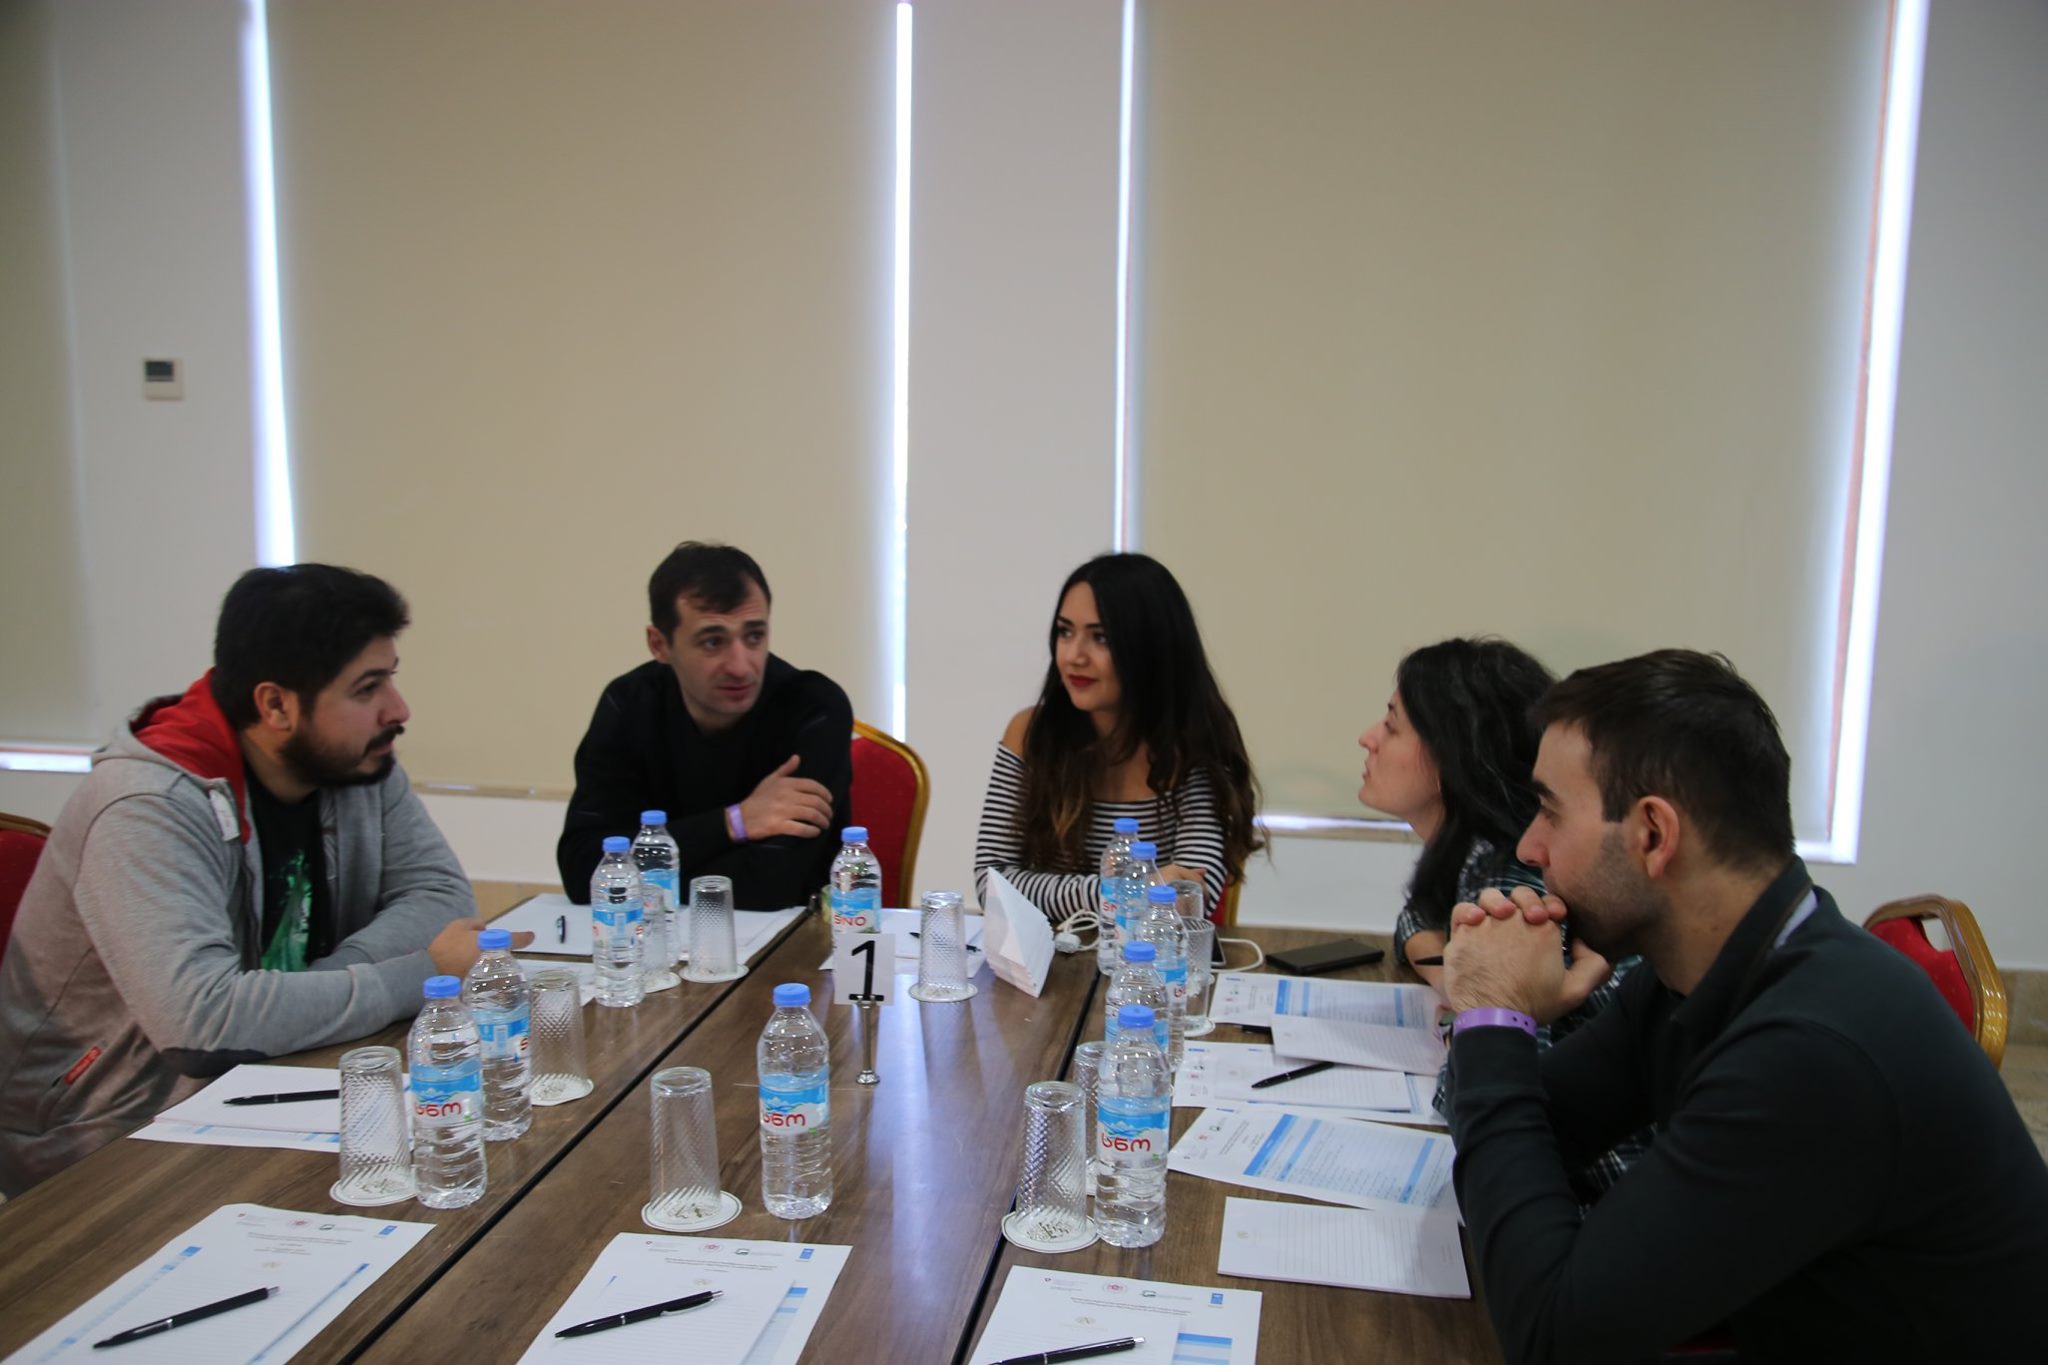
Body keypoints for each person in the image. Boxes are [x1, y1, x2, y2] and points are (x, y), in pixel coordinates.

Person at [1441, 649, 2048, 1362]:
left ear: (1653, 834)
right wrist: (1499, 1025)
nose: (1529, 846)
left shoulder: (1813, 1050)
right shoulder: (1706, 966)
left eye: (1549, 810)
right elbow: (1538, 1130)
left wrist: (1492, 1016)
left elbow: (1551, 1335)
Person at [0, 565, 510, 1194]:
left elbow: (440, 898)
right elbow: (203, 1024)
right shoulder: (144, 806)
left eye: (390, 678)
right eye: (367, 688)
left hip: (276, 1078)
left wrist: (300, 994)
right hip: (111, 1138)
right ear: (275, 705)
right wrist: (421, 972)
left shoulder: (355, 762)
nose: (397, 710)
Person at [1369, 638, 1646, 1199]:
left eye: (1392, 726)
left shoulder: (1519, 883)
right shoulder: (1475, 856)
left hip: (1598, 1203)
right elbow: (1416, 917)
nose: (1368, 737)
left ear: (1452, 753)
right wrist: (1456, 978)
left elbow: (1478, 1107)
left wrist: (1480, 1007)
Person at [557, 542, 852, 910]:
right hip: (650, 936)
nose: (741, 666)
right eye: (713, 642)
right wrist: (734, 823)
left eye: (754, 636)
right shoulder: (629, 704)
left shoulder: (813, 708)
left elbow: (771, 887)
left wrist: (647, 874)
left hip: (790, 938)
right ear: (659, 645)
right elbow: (583, 873)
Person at [974, 552, 1260, 926]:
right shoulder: (1030, 734)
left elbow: (1188, 897)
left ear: (1151, 648)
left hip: (1150, 959)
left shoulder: (1195, 746)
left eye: (1101, 637)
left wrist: (1067, 894)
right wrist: (1127, 891)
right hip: (1049, 957)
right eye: (1065, 632)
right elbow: (992, 883)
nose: (1074, 656)